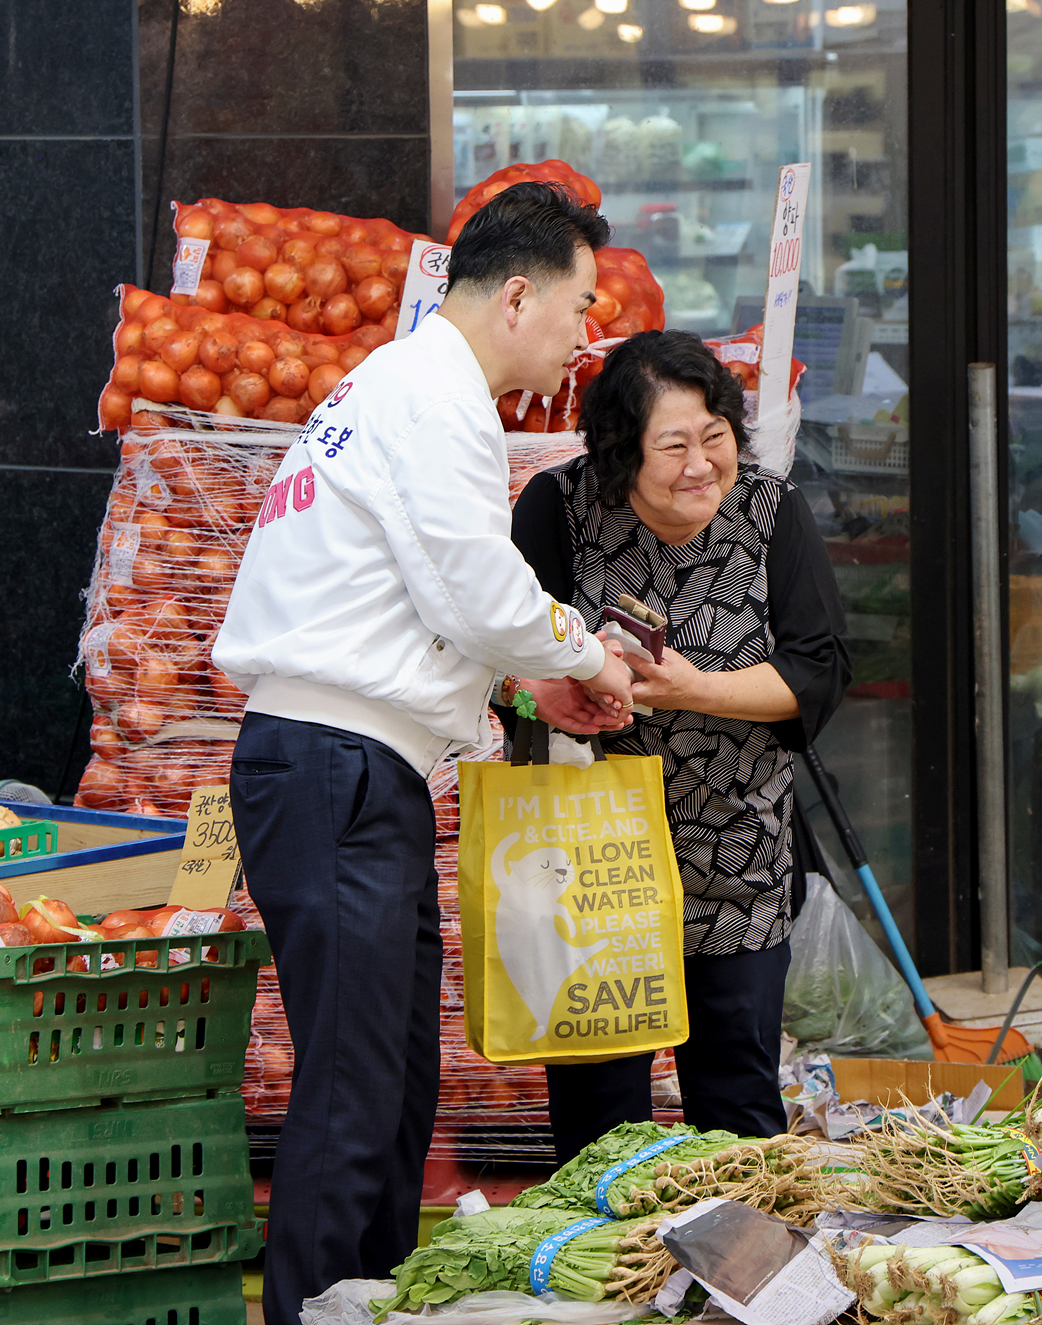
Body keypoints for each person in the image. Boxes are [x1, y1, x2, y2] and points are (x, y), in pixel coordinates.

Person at [212, 183, 637, 1325]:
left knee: (396, 1084)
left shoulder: (398, 384)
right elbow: (474, 582)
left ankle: (375, 1303)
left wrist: (527, 669)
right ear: (516, 295)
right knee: (355, 1091)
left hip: (353, 765)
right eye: (578, 304)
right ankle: (315, 1311)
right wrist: (584, 655)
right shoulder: (431, 393)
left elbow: (430, 598)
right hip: (334, 764)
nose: (583, 332)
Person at [503, 329, 850, 1162]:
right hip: (591, 855)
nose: (701, 465)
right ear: (622, 453)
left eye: (715, 438)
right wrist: (546, 699)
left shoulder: (771, 513)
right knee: (598, 1111)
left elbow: (816, 673)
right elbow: (495, 662)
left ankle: (736, 1286)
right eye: (673, 445)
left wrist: (693, 689)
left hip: (735, 849)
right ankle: (608, 1279)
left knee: (736, 1102)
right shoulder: (558, 509)